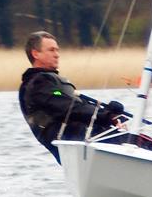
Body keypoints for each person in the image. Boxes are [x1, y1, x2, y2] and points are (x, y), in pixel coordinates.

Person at [19, 30, 126, 164]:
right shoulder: (38, 83)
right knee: (131, 142)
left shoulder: (51, 82)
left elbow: (74, 103)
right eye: (51, 50)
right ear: (36, 54)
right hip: (74, 142)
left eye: (57, 50)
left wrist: (109, 113)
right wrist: (105, 116)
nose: (57, 55)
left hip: (85, 142)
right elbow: (66, 106)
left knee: (138, 141)